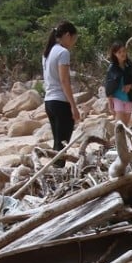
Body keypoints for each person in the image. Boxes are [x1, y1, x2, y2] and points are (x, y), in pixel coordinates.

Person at [41, 21, 82, 162]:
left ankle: (54, 172)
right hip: (60, 101)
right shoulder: (63, 52)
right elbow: (64, 81)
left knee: (57, 143)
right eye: (73, 39)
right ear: (67, 35)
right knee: (62, 145)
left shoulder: (47, 52)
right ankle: (57, 172)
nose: (73, 43)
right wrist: (73, 105)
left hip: (49, 101)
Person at [104, 41, 132, 127]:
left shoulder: (129, 65)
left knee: (126, 126)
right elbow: (109, 87)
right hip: (117, 98)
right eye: (119, 52)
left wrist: (129, 85)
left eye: (124, 51)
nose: (122, 54)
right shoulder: (112, 68)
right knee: (120, 126)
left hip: (128, 98)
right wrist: (110, 105)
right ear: (114, 54)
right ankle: (117, 140)